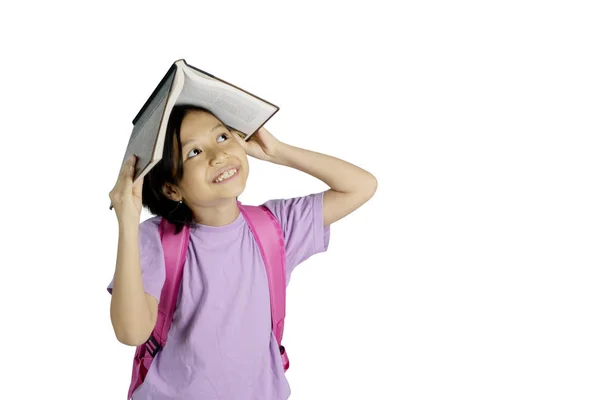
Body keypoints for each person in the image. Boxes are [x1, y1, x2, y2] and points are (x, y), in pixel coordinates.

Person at [107, 104, 377, 399]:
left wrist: (279, 152)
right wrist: (128, 222)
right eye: (194, 152)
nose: (218, 155)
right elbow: (131, 333)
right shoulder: (155, 240)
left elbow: (361, 186)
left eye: (222, 137)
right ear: (172, 189)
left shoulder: (276, 226)